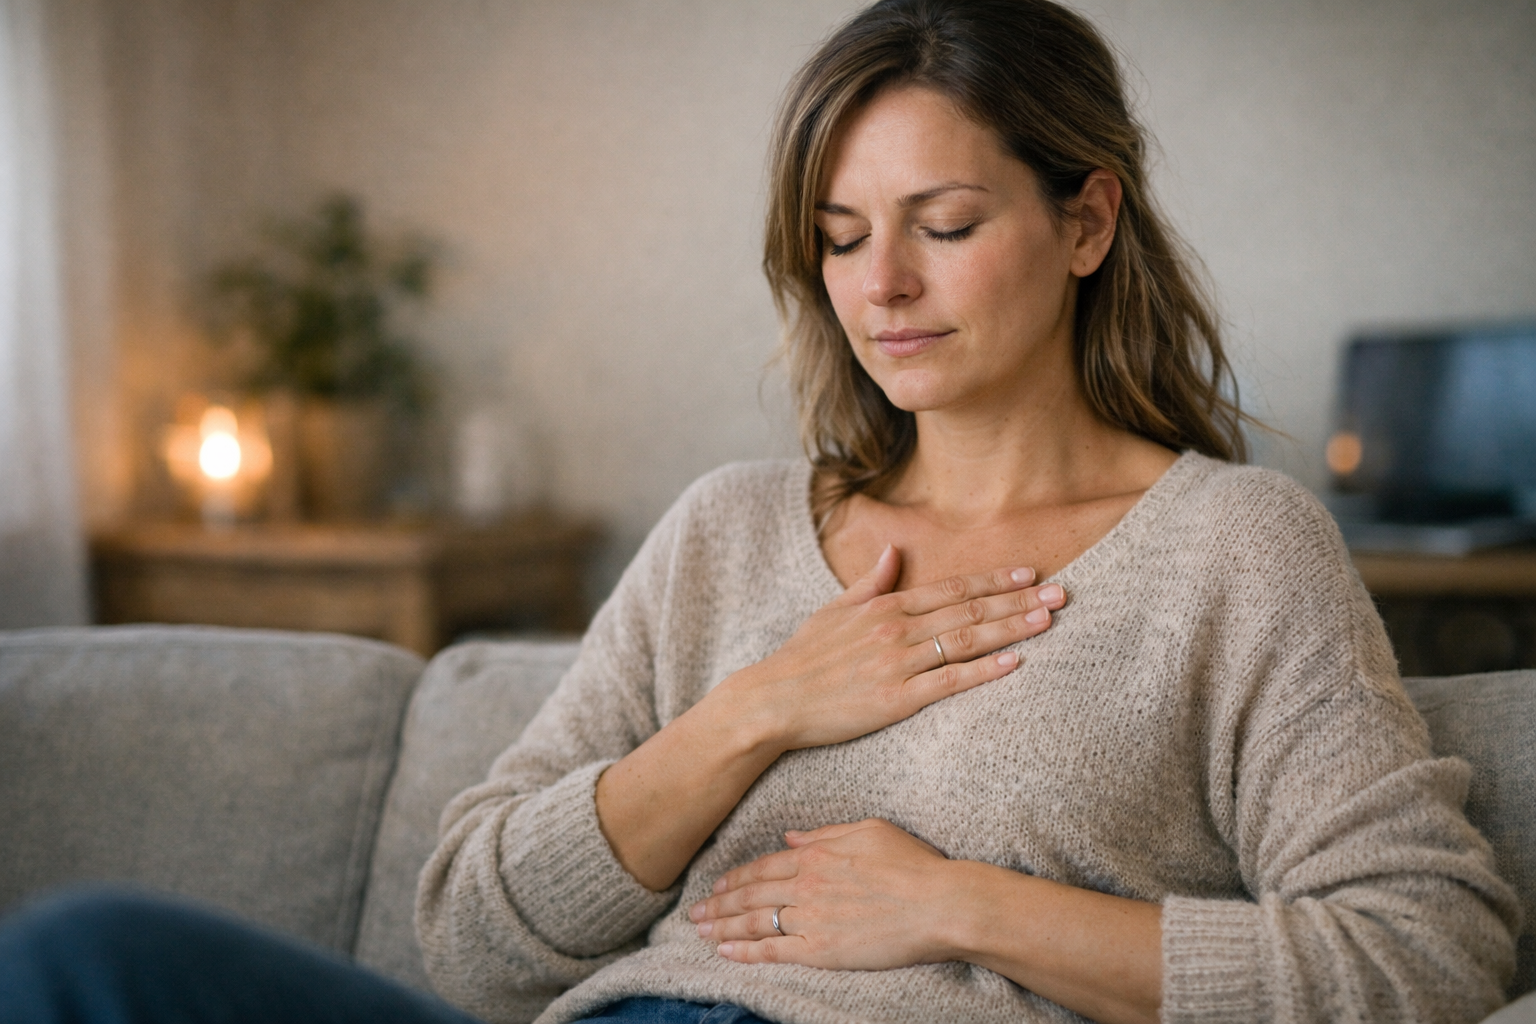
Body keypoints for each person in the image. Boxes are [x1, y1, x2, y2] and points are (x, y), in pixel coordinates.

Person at [0, 2, 1519, 1024]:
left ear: (1087, 220)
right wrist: (758, 711)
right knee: (78, 956)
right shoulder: (726, 532)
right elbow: (469, 933)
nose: (884, 287)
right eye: (841, 237)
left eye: (945, 224)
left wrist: (962, 908)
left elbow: (1425, 945)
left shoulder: (1235, 550)